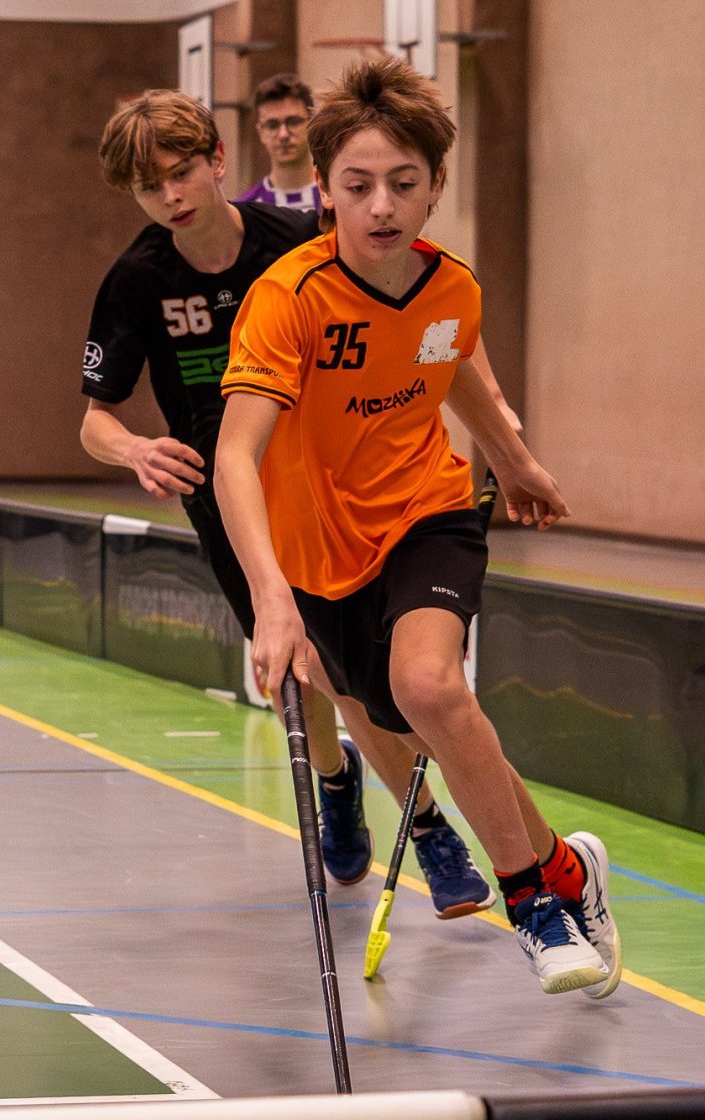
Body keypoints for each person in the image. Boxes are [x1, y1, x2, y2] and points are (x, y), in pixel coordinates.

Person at [215, 56, 621, 997]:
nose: (382, 206)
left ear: (437, 185)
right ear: (325, 189)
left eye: (404, 183)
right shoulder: (289, 299)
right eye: (358, 185)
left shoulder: (451, 287)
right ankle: (567, 867)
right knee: (398, 716)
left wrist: (511, 458)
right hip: (320, 555)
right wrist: (270, 599)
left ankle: (533, 904)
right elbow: (236, 457)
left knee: (429, 685)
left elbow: (453, 362)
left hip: (427, 511)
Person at [79, 87, 497, 921]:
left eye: (182, 171)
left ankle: (424, 825)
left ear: (218, 160)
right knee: (300, 671)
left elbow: (424, 319)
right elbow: (95, 418)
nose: (171, 195)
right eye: (149, 186)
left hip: (331, 488)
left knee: (346, 674)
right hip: (233, 503)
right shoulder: (136, 280)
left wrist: (501, 434)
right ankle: (341, 784)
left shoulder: (298, 242)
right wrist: (135, 449)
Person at [236, 73, 322, 213]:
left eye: (293, 122)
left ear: (312, 124)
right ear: (260, 132)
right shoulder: (246, 211)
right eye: (272, 125)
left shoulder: (335, 198)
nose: (283, 135)